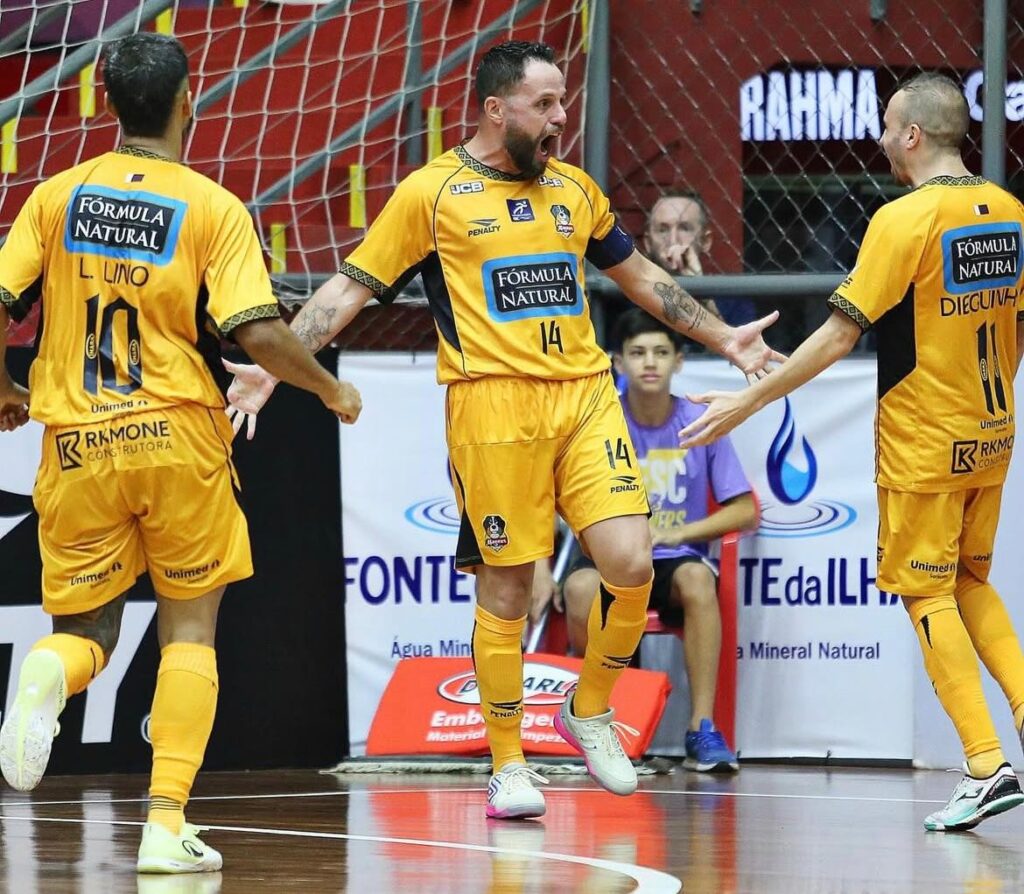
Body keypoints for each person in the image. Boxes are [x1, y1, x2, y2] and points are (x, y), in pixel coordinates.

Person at [226, 40, 782, 820]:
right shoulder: (432, 192)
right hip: (492, 408)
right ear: (496, 109)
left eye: (563, 102)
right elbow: (349, 290)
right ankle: (509, 764)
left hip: (586, 397)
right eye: (545, 104)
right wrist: (277, 365)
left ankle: (590, 710)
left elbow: (641, 277)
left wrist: (723, 337)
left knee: (629, 561)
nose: (561, 118)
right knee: (510, 587)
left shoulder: (576, 192)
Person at [0, 33, 361, 873]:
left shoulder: (56, 195)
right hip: (176, 439)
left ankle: (49, 672)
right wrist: (331, 391)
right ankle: (165, 827)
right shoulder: (211, 206)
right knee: (189, 631)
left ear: (109, 103)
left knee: (87, 631)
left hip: (80, 442)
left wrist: (6, 390)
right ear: (188, 100)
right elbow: (258, 333)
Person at [679, 72, 1024, 831]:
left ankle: (985, 763)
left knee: (928, 591)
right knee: (971, 580)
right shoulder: (1009, 211)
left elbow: (840, 333)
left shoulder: (905, 220)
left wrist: (748, 398)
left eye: (884, 126)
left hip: (925, 438)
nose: (877, 140)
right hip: (991, 434)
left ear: (910, 135)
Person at [554, 309, 755, 773]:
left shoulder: (700, 420)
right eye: (638, 353)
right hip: (609, 558)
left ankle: (702, 728)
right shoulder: (600, 422)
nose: (650, 363)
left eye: (661, 353)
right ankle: (607, 721)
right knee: (580, 590)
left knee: (698, 583)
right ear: (617, 363)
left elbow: (744, 509)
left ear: (679, 362)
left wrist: (678, 533)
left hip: (672, 557)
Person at [642, 190, 756, 328]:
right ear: (648, 243)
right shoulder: (629, 293)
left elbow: (734, 347)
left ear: (705, 241)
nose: (673, 240)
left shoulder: (733, 298)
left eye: (684, 228)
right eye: (663, 230)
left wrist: (702, 293)